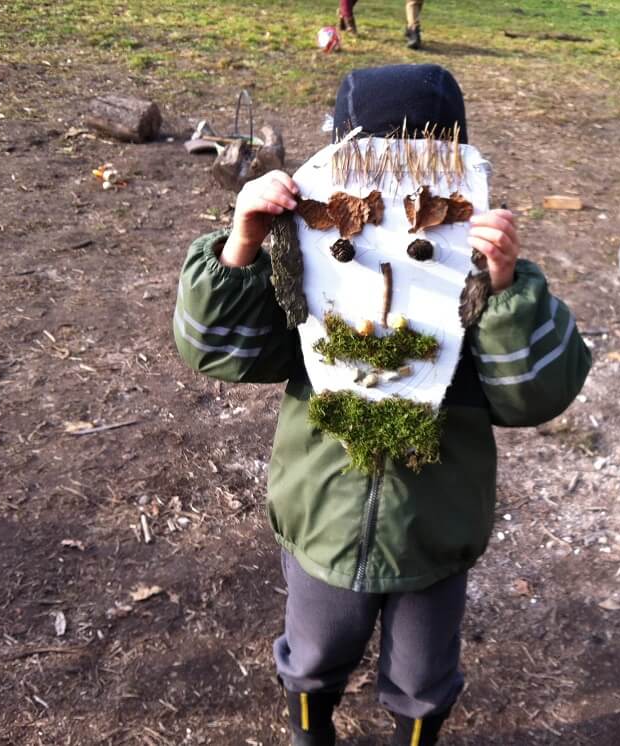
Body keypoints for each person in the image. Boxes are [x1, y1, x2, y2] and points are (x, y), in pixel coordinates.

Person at [173, 63, 592, 746]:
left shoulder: (477, 279)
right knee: (314, 654)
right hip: (324, 520)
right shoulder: (307, 265)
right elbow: (217, 349)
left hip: (432, 530)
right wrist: (243, 242)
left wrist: (506, 290)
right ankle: (310, 733)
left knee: (424, 676)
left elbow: (535, 395)